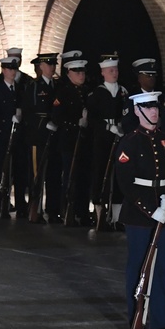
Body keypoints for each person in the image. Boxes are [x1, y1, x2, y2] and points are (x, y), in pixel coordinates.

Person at [115, 91, 165, 329]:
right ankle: (137, 318)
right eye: (148, 108)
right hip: (139, 215)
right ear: (137, 111)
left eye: (155, 107)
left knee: (160, 269)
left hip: (164, 210)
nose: (154, 112)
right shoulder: (129, 142)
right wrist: (151, 208)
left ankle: (160, 322)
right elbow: (126, 183)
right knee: (139, 267)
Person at [88, 53, 128, 229]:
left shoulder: (123, 92)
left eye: (116, 70)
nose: (115, 73)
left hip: (119, 136)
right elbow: (92, 118)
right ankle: (100, 214)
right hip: (102, 138)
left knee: (119, 175)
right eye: (111, 70)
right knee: (101, 173)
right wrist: (107, 127)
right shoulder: (97, 93)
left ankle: (117, 216)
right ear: (103, 72)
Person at [21, 53, 61, 222]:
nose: (52, 67)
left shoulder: (57, 86)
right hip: (38, 136)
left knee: (53, 174)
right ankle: (35, 209)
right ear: (41, 66)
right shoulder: (34, 86)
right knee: (37, 175)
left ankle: (53, 211)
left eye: (53, 64)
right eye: (49, 64)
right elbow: (28, 111)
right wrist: (43, 123)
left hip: (54, 136)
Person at [51, 58, 91, 226]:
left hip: (84, 141)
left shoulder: (87, 91)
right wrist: (76, 122)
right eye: (77, 72)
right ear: (69, 73)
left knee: (84, 177)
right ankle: (68, 210)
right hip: (69, 140)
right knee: (70, 176)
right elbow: (57, 116)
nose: (81, 75)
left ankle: (82, 212)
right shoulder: (63, 92)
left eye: (82, 72)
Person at [0, 57, 22, 218]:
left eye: (14, 69)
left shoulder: (18, 88)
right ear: (3, 70)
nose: (12, 72)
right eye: (9, 69)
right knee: (0, 170)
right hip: (1, 136)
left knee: (12, 171)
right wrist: (8, 120)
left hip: (16, 136)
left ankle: (8, 202)